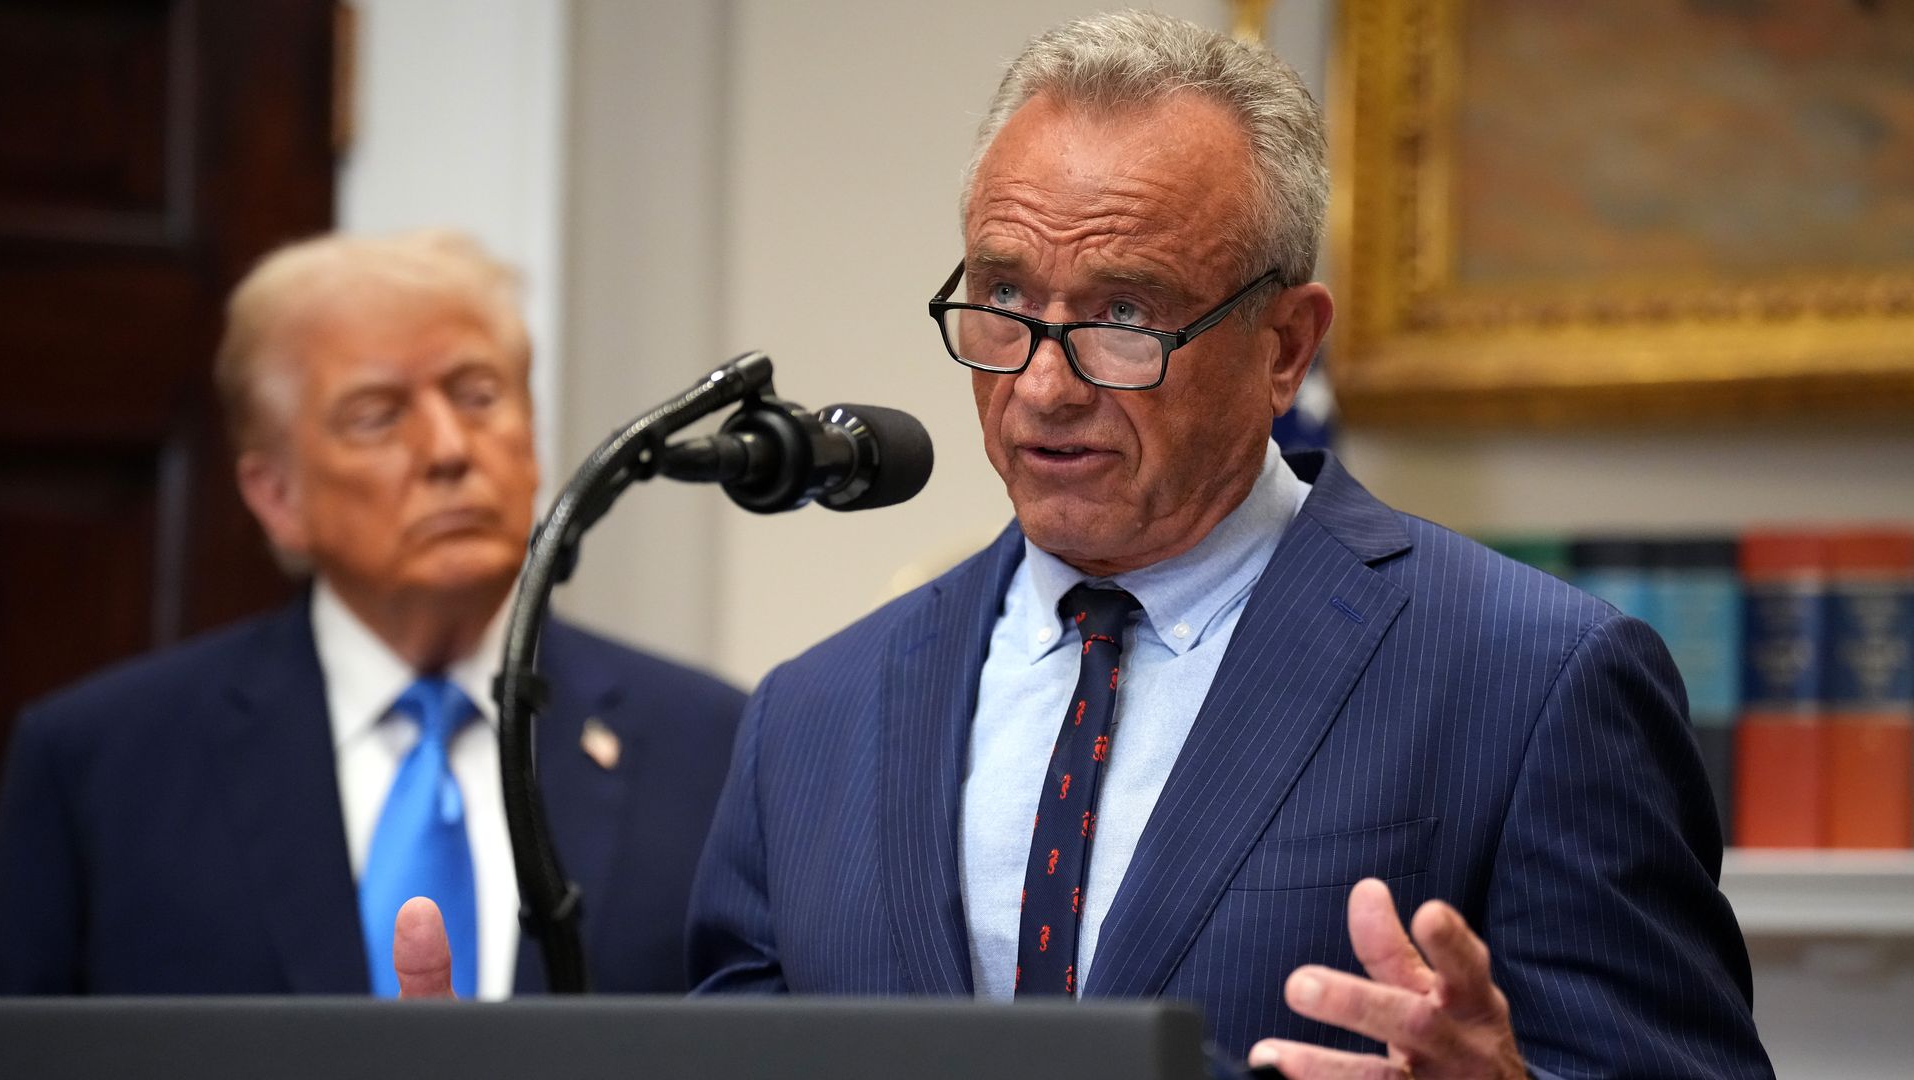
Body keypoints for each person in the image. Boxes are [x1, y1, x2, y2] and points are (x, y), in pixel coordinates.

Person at [393, 14, 1772, 1078]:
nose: (1042, 384)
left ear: (1284, 346)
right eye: (1002, 299)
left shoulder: (1532, 680)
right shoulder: (812, 716)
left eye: (1123, 316)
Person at [0, 230, 746, 999]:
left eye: (479, 396)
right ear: (276, 496)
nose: (449, 449)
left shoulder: (715, 745)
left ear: (532, 445)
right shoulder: (102, 766)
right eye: (377, 416)